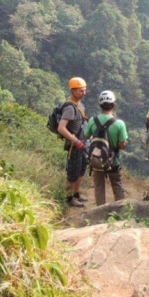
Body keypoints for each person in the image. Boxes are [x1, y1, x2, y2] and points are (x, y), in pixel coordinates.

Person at [84, 90, 128, 206]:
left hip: (97, 158)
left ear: (100, 105)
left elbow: (86, 136)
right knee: (117, 185)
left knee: (99, 186)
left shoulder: (93, 120)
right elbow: (122, 145)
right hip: (113, 160)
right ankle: (121, 211)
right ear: (113, 104)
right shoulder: (119, 123)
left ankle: (100, 212)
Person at [57, 77, 89, 207]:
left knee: (81, 169)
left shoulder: (80, 104)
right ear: (73, 91)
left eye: (85, 90)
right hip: (74, 145)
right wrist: (75, 140)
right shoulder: (70, 107)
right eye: (81, 91)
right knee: (72, 172)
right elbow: (61, 127)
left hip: (82, 143)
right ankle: (68, 198)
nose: (83, 93)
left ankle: (76, 194)